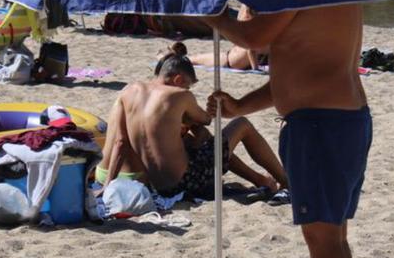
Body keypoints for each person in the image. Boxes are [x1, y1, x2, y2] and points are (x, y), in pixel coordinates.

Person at [203, 3, 370, 258]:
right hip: (337, 119)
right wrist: (240, 106)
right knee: (333, 238)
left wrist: (209, 12)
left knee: (325, 239)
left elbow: (253, 38)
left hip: (320, 124)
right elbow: (300, 68)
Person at [98, 47, 289, 200]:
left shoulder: (129, 90)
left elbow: (120, 143)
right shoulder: (180, 95)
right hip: (183, 182)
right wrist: (206, 111)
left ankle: (261, 180)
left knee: (211, 145)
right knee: (241, 125)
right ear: (178, 79)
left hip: (156, 184)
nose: (188, 89)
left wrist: (108, 185)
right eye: (187, 85)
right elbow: (205, 119)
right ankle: (286, 182)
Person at [187, 6, 270, 71]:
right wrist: (255, 69)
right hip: (230, 60)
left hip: (233, 58)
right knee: (193, 60)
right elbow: (251, 49)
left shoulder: (254, 27)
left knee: (195, 59)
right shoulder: (256, 28)